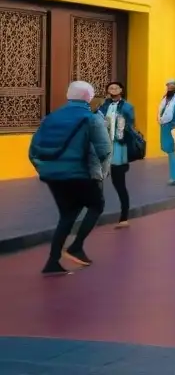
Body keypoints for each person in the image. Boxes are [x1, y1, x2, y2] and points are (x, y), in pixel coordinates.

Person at [29, 81, 112, 276]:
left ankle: (52, 262)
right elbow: (105, 150)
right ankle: (76, 246)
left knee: (67, 215)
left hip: (52, 176)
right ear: (88, 98)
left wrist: (44, 169)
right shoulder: (91, 118)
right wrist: (100, 174)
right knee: (96, 205)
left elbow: (32, 150)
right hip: (79, 174)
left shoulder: (50, 118)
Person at [98, 81, 135, 228]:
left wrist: (121, 127)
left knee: (119, 183)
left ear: (121, 90)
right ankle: (95, 211)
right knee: (96, 181)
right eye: (110, 87)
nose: (112, 89)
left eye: (116, 87)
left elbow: (130, 125)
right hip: (103, 148)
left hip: (119, 148)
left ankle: (124, 216)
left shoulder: (127, 106)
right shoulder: (103, 106)